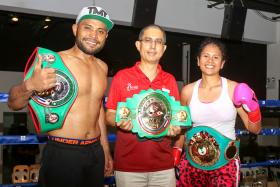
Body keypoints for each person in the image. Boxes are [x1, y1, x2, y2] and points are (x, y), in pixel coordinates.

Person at [7, 6, 114, 187]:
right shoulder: (53, 62)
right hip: (63, 152)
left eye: (100, 31)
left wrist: (105, 148)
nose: (93, 36)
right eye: (87, 27)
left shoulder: (102, 67)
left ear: (106, 36)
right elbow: (13, 103)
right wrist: (30, 86)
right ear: (75, 29)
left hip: (95, 152)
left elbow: (98, 109)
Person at [176, 37, 262, 187]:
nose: (210, 60)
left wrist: (254, 109)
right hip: (192, 163)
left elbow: (254, 128)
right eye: (206, 56)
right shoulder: (187, 91)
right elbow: (182, 128)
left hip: (225, 164)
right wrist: (176, 150)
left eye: (216, 57)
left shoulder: (232, 89)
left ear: (222, 63)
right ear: (198, 60)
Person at [105, 24, 183, 187]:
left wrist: (175, 128)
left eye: (158, 42)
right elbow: (109, 114)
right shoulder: (122, 77)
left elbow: (176, 119)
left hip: (163, 166)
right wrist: (119, 120)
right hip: (128, 167)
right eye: (148, 40)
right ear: (138, 45)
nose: (153, 46)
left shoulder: (170, 80)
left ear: (164, 48)